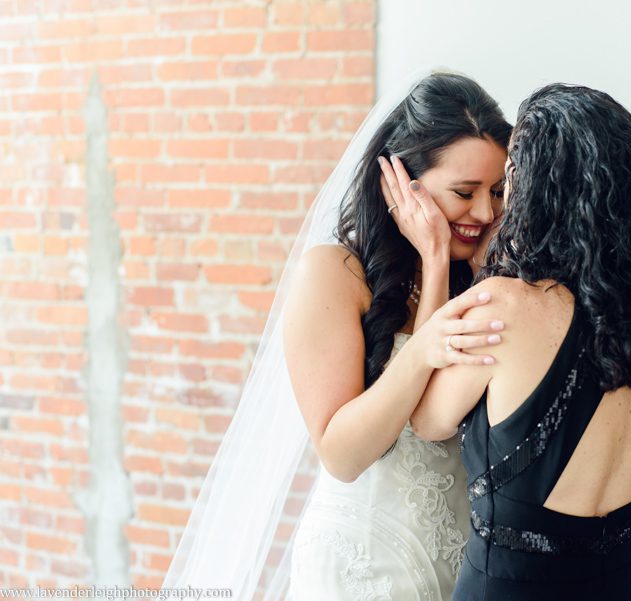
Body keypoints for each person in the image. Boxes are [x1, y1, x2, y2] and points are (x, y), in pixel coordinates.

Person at [163, 71, 511, 601]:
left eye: (498, 192)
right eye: (465, 192)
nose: (486, 213)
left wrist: (459, 268)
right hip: (365, 563)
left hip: (459, 559)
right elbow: (343, 455)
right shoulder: (333, 274)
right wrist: (436, 257)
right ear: (401, 182)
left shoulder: (486, 275)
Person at [409, 83, 631, 600]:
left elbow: (428, 420)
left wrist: (436, 257)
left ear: (539, 190)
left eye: (510, 181)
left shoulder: (507, 304)